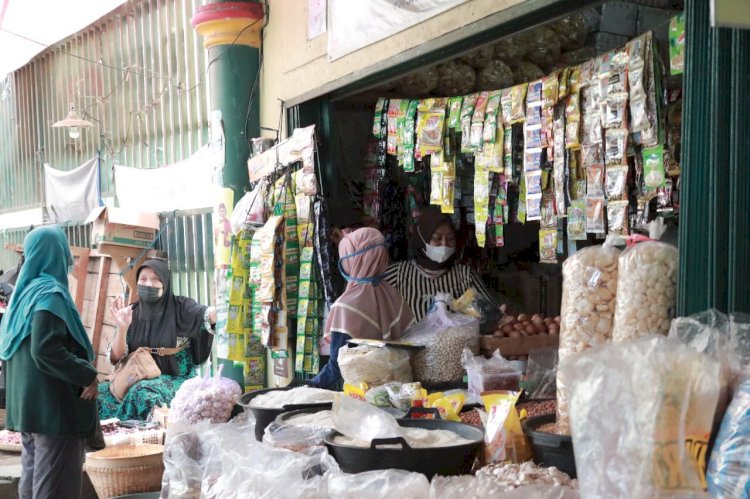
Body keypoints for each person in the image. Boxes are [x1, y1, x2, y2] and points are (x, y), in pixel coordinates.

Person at [0, 226, 98, 499]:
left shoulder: (21, 296)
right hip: (54, 412)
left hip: (30, 412)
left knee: (33, 486)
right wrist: (86, 374)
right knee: (54, 488)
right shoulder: (49, 295)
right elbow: (45, 349)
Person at [98, 259, 216, 421]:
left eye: (155, 279)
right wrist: (123, 327)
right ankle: (109, 440)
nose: (149, 284)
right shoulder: (132, 312)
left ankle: (137, 439)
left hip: (176, 378)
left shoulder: (181, 307)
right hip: (137, 376)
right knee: (101, 393)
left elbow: (207, 315)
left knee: (142, 394)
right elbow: (115, 358)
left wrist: (220, 304)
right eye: (143, 279)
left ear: (165, 283)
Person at [310, 228, 414, 390]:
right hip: (402, 392)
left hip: (362, 397)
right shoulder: (396, 297)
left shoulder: (346, 306)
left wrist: (309, 385)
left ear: (353, 261)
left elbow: (337, 365)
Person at [384, 209, 500, 322]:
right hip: (409, 341)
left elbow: (492, 314)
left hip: (456, 341)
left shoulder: (465, 275)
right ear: (421, 239)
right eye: (436, 238)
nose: (444, 244)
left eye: (450, 238)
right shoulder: (397, 274)